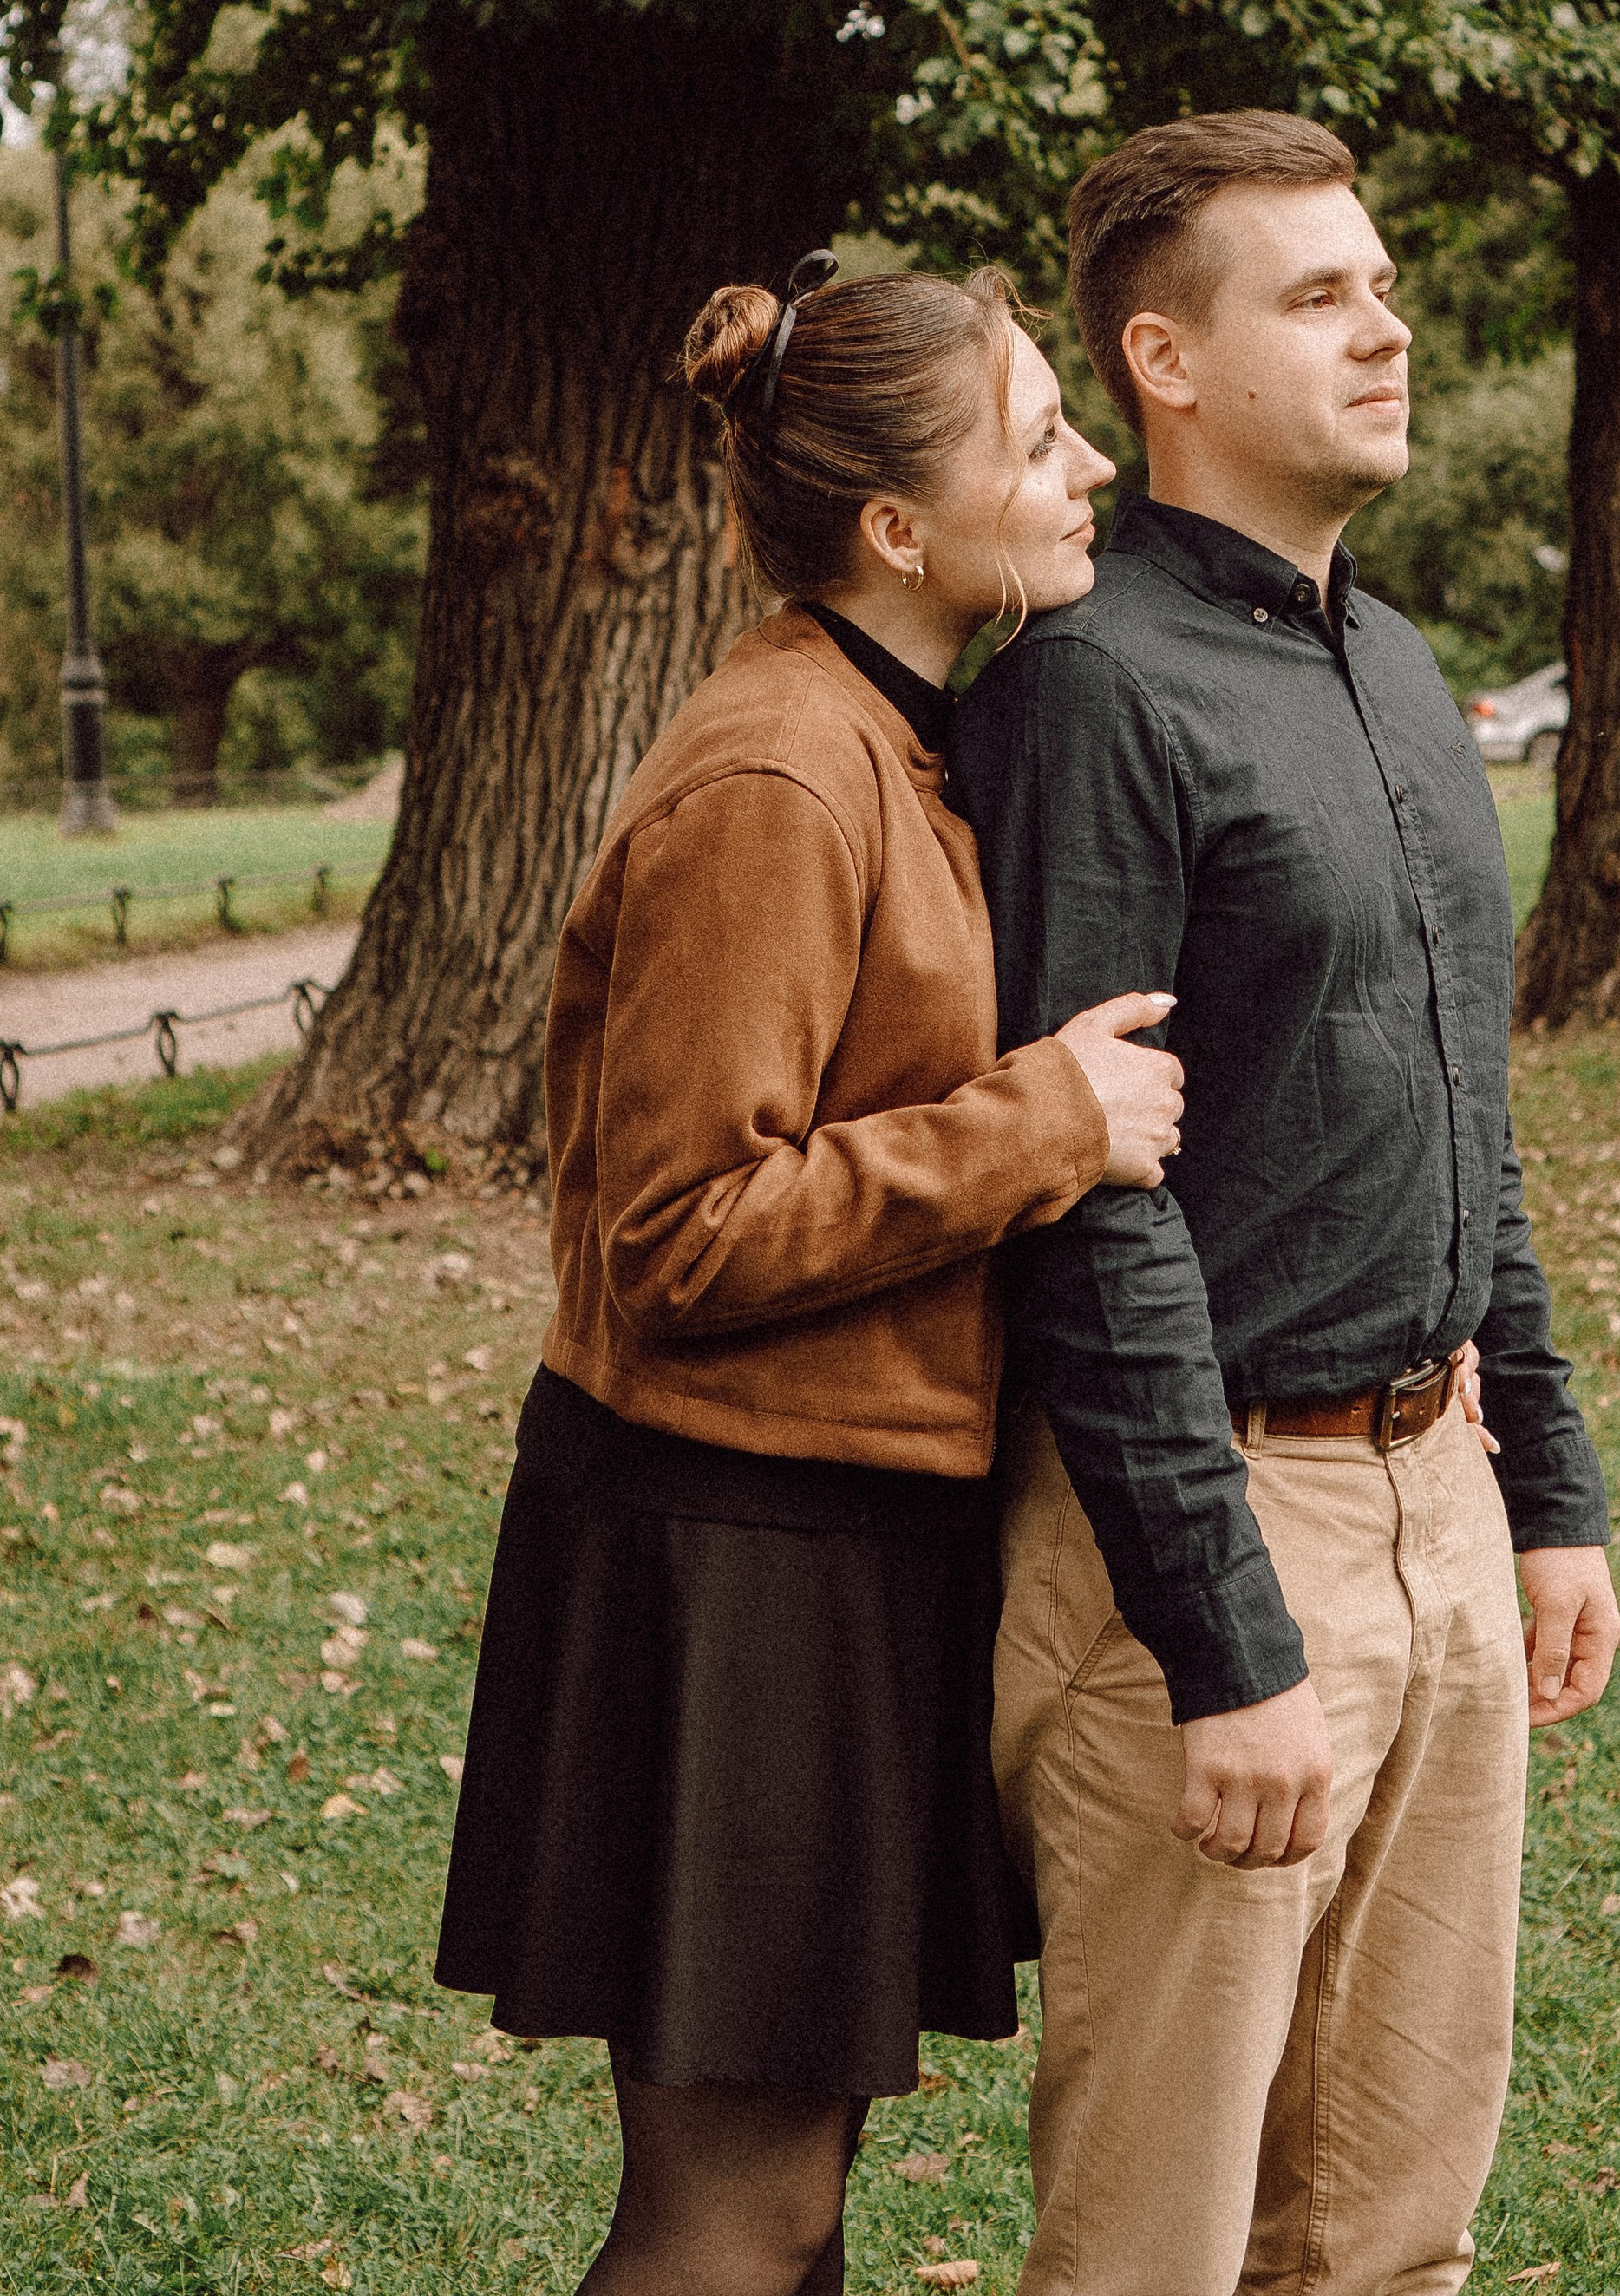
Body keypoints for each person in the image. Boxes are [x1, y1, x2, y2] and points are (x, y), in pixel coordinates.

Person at [435, 252, 1184, 2296]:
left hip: (837, 1536)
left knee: (794, 2203)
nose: (1090, 467)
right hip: (730, 1556)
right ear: (896, 529)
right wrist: (1038, 1125)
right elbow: (675, 1232)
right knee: (737, 2212)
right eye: (1041, 437)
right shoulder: (776, 771)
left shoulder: (888, 729)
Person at [948, 113, 1620, 2296]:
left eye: (1382, 284)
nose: (1384, 328)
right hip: (1211, 1529)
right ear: (1162, 360)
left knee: (1392, 2235)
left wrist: (1544, 1493)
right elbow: (1086, 1204)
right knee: (1156, 2253)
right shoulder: (1086, 687)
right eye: (1318, 296)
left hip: (1438, 1497)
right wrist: (1217, 1638)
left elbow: (1458, 1109)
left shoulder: (1398, 667)